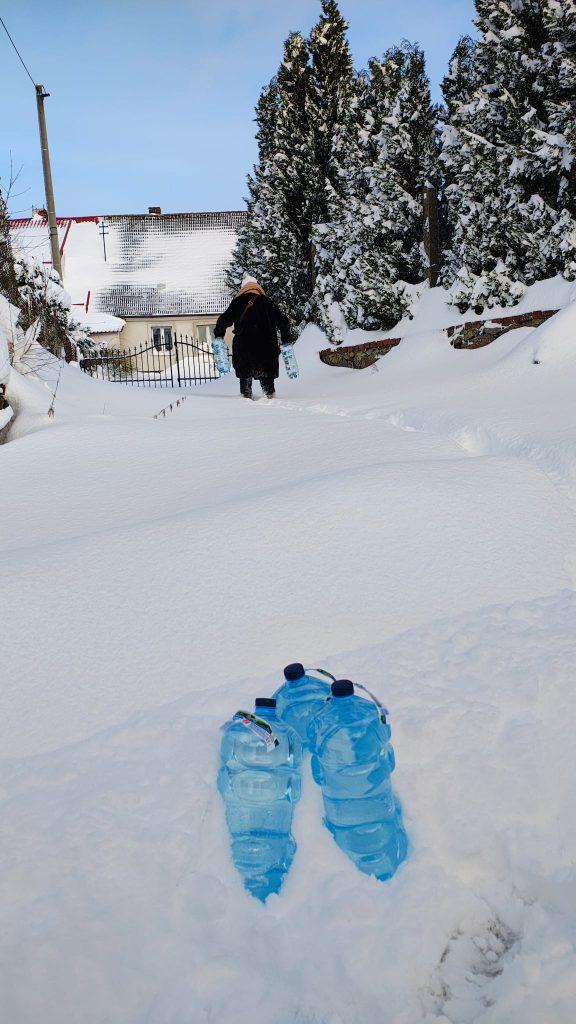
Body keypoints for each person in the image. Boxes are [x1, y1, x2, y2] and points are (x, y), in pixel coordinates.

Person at [213, 274, 293, 400]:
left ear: (243, 288)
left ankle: (246, 400)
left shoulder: (237, 302)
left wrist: (219, 335)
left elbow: (223, 320)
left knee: (245, 381)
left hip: (244, 348)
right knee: (267, 382)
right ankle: (270, 399)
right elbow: (283, 322)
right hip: (266, 349)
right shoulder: (268, 302)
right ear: (257, 287)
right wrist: (286, 339)